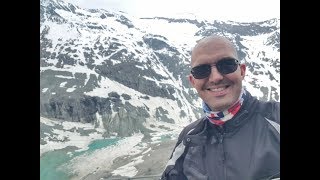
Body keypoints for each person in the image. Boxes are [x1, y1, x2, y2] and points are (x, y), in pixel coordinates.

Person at [160, 35, 280, 180]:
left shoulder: (276, 118)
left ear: (242, 71)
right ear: (192, 81)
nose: (215, 77)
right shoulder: (188, 138)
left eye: (226, 65)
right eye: (201, 70)